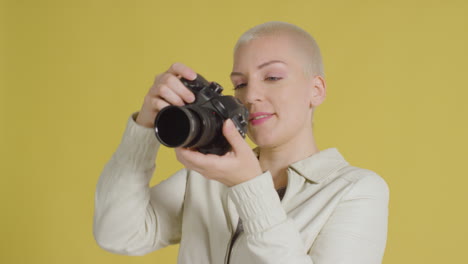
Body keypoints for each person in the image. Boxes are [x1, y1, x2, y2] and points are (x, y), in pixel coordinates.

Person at [93, 21, 389, 264]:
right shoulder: (209, 178)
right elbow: (117, 233)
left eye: (272, 77)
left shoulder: (356, 190)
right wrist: (145, 128)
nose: (250, 96)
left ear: (316, 90)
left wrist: (248, 186)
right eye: (241, 83)